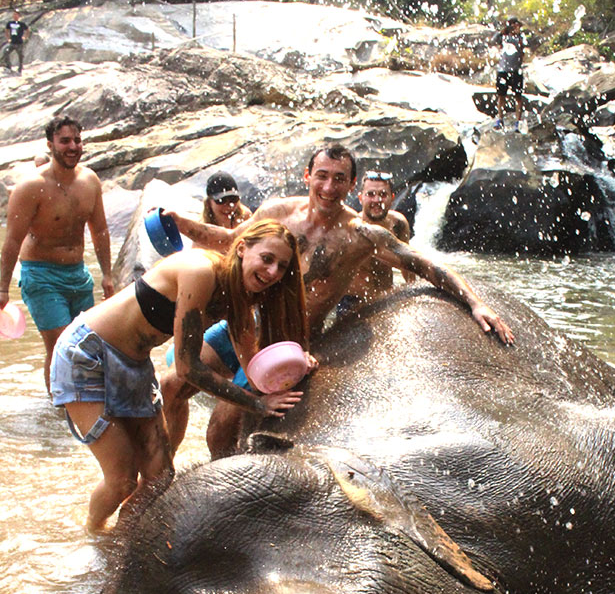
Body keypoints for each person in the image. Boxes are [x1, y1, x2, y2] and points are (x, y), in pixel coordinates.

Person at [162, 144, 514, 454]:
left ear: (351, 186)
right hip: (244, 323)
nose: (329, 188)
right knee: (172, 385)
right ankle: (165, 471)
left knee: (221, 429)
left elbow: (422, 264)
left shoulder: (361, 236)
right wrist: (180, 223)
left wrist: (474, 302)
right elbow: (229, 239)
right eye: (322, 176)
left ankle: (223, 494)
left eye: (340, 179)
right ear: (308, 176)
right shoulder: (277, 213)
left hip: (286, 342)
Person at [49, 216, 312, 533]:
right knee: (121, 480)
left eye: (281, 267)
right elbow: (188, 367)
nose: (272, 273)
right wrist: (257, 405)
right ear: (242, 248)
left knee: (160, 478)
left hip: (135, 364)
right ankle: (92, 535)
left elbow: (255, 368)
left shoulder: (242, 299)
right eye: (267, 259)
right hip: (85, 355)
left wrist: (295, 366)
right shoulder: (200, 271)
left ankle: (120, 543)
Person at [0, 115, 114, 391]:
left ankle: (82, 402)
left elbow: (99, 231)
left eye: (77, 140)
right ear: (50, 144)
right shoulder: (31, 187)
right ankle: (58, 410)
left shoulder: (90, 181)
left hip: (78, 275)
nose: (73, 146)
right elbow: (13, 240)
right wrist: (2, 289)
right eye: (65, 141)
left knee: (88, 343)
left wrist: (107, 275)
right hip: (41, 276)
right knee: (61, 344)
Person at [159, 172, 252, 452]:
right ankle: (167, 460)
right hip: (224, 321)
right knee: (172, 377)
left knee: (221, 427)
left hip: (244, 320)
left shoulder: (249, 225)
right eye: (222, 201)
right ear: (209, 203)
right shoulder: (200, 249)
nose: (229, 207)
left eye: (233, 199)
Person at [337, 170, 414, 313]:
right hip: (352, 302)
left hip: (386, 298)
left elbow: (408, 265)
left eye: (383, 195)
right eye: (371, 194)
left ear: (392, 198)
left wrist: (413, 296)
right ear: (361, 198)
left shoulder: (398, 224)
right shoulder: (349, 228)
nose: (377, 200)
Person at [490, 17, 527, 132]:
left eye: (517, 25)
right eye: (514, 25)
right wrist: (502, 31)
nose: (516, 27)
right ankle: (500, 119)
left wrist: (517, 35)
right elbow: (493, 40)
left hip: (516, 71)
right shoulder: (503, 36)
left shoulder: (520, 37)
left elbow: (524, 45)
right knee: (501, 96)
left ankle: (518, 122)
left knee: (518, 96)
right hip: (503, 70)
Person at [3, 8, 28, 74]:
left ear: (19, 16)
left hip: (19, 42)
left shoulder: (22, 24)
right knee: (6, 52)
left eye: (16, 15)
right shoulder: (10, 23)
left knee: (20, 55)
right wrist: (8, 38)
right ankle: (8, 66)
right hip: (12, 42)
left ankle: (20, 68)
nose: (15, 16)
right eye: (14, 14)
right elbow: (6, 30)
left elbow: (27, 30)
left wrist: (25, 37)